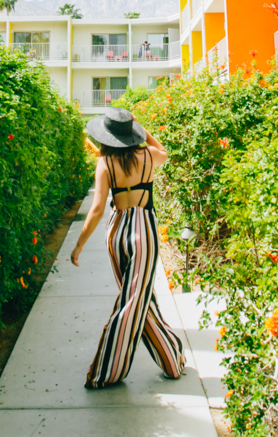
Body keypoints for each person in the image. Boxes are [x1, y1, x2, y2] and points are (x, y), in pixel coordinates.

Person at [72, 108, 185, 389]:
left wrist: (79, 245)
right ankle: (110, 370)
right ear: (130, 135)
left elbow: (98, 209)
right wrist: (141, 129)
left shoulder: (105, 163)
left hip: (117, 232)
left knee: (138, 299)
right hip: (143, 232)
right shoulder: (147, 156)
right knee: (135, 300)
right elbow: (164, 151)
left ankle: (171, 357)